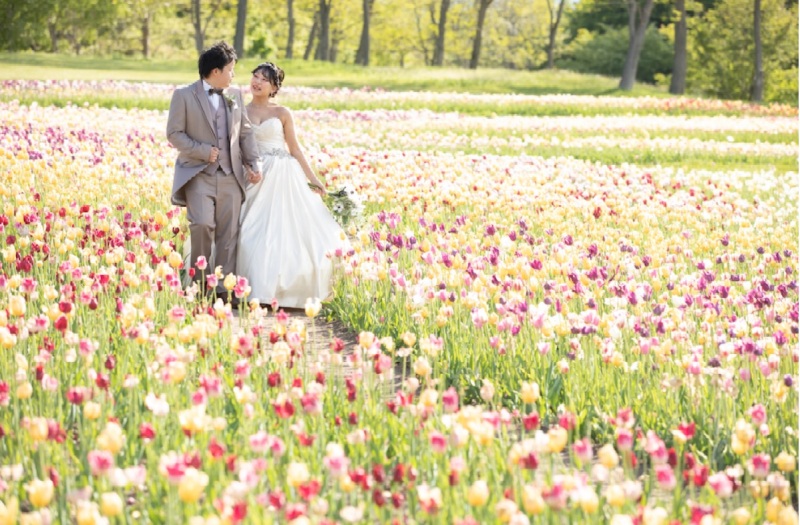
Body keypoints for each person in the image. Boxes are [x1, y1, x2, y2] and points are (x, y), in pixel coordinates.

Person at [236, 62, 348, 308]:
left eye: (263, 79)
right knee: (250, 231)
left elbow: (295, 149)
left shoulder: (282, 113)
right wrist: (247, 167)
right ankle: (251, 288)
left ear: (274, 86)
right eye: (254, 76)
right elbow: (237, 147)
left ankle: (289, 290)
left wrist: (314, 179)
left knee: (285, 231)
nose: (256, 82)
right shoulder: (240, 111)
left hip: (283, 174)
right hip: (254, 174)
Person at [167, 41, 262, 299]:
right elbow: (174, 134)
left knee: (228, 234)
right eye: (231, 70)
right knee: (201, 225)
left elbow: (245, 133)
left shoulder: (234, 95)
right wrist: (201, 150)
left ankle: (222, 289)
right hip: (199, 175)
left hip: (232, 175)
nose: (233, 75)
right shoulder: (184, 95)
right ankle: (199, 286)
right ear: (216, 71)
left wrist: (253, 163)